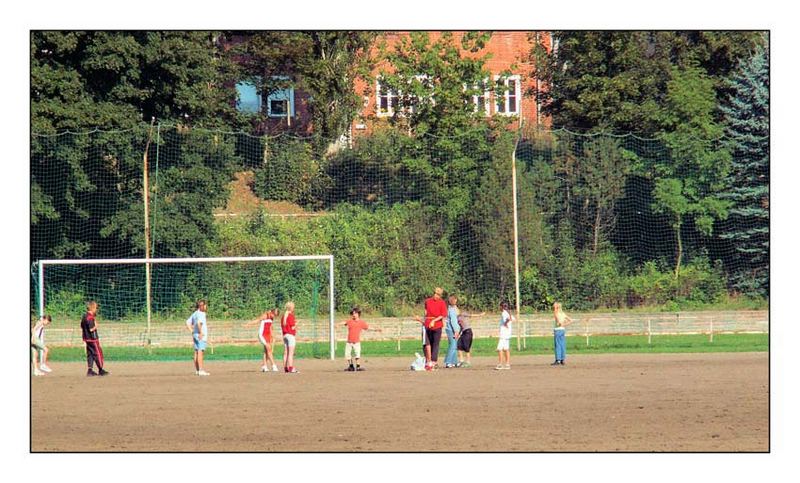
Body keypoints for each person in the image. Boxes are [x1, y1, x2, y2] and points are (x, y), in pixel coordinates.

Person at [343, 307, 379, 371]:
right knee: (347, 354)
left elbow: (368, 328)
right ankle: (351, 366)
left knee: (357, 354)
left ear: (358, 314)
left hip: (356, 342)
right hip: (349, 341)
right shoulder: (350, 321)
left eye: (355, 313)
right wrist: (336, 324)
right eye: (353, 313)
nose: (354, 315)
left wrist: (376, 329)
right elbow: (344, 322)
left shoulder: (361, 322)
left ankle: (358, 366)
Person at [420, 287, 448, 371]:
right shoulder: (428, 301)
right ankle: (428, 361)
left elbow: (443, 315)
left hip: (437, 324)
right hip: (428, 324)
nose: (437, 296)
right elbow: (425, 312)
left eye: (439, 295)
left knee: (435, 343)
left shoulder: (442, 302)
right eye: (436, 294)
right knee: (427, 343)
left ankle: (434, 361)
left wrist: (434, 321)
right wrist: (424, 321)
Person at [81, 301, 110, 377]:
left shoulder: (84, 316)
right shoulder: (90, 317)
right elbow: (91, 329)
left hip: (87, 339)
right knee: (98, 353)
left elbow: (82, 326)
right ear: (92, 308)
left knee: (90, 354)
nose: (96, 309)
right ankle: (101, 369)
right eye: (96, 308)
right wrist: (96, 326)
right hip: (93, 339)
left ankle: (90, 370)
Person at [186, 299, 210, 376]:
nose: (206, 307)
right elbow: (199, 323)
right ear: (201, 306)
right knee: (200, 352)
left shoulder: (195, 313)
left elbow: (187, 322)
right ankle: (201, 370)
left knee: (196, 351)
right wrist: (201, 332)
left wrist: (192, 332)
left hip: (195, 335)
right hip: (200, 336)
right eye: (205, 305)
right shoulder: (201, 314)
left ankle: (197, 370)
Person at [552, 302, 574, 366]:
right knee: (562, 345)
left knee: (558, 345)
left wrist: (559, 323)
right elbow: (571, 320)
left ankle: (558, 360)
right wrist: (564, 324)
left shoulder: (556, 313)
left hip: (557, 330)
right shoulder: (563, 313)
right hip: (562, 330)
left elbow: (558, 321)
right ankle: (562, 359)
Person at [495, 302, 514, 370]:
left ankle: (500, 364)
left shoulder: (504, 313)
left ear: (501, 307)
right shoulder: (508, 313)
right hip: (507, 334)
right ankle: (507, 364)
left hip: (503, 334)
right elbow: (512, 319)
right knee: (506, 349)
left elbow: (508, 319)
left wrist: (505, 323)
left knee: (500, 348)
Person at [281, 301, 298, 373]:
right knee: (291, 353)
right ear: (291, 308)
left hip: (285, 335)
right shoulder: (291, 316)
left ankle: (285, 368)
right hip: (290, 335)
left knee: (285, 353)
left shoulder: (283, 316)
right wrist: (297, 324)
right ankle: (291, 368)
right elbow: (292, 328)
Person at [444, 295, 460, 368]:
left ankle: (455, 361)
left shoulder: (450, 308)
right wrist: (456, 331)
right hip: (452, 330)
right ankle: (448, 361)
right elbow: (453, 321)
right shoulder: (451, 310)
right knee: (453, 345)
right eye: (455, 300)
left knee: (454, 345)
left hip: (450, 329)